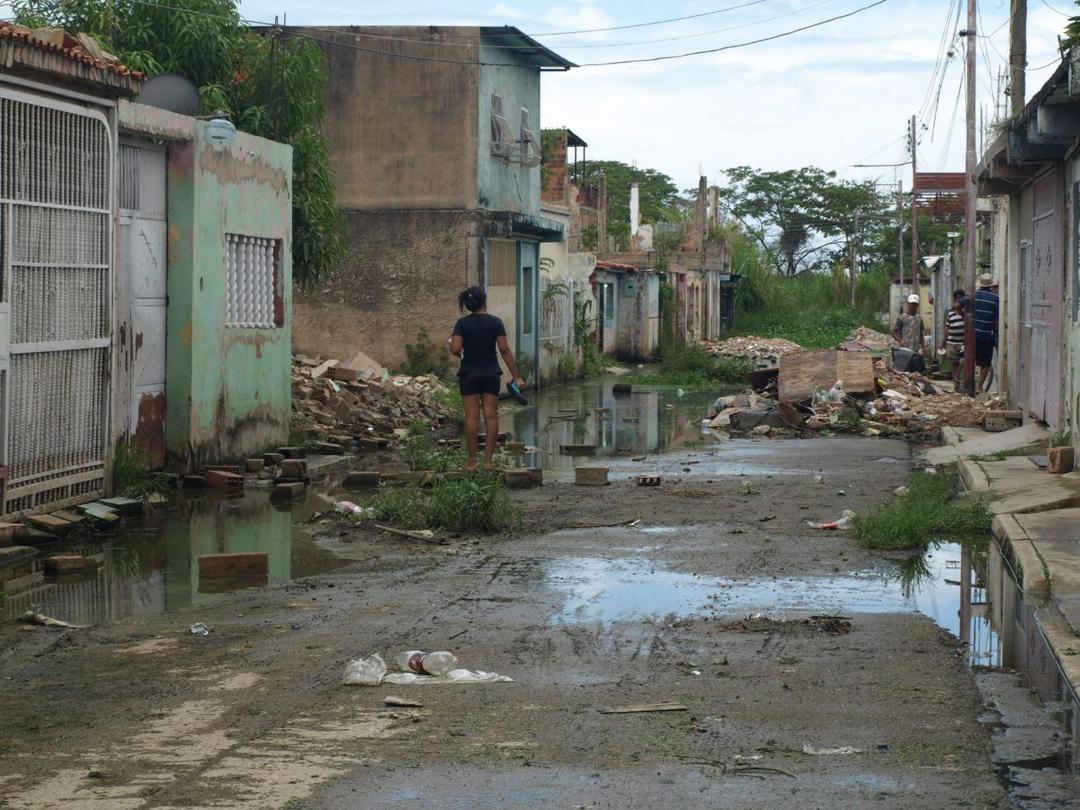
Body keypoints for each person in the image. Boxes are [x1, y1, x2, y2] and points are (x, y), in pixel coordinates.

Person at [447, 286, 526, 471]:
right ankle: (488, 462)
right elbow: (504, 350)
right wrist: (517, 377)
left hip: (469, 375)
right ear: (484, 302)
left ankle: (471, 463)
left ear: (468, 304)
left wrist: (451, 345)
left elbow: (456, 349)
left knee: (471, 417)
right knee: (491, 416)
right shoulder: (495, 322)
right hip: (490, 373)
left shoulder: (462, 324)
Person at [973, 273, 999, 392]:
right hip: (986, 335)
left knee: (971, 359)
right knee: (986, 364)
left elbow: (959, 305)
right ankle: (979, 387)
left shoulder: (974, 296)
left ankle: (965, 383)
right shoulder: (995, 298)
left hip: (972, 335)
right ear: (991, 285)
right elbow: (996, 320)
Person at [892, 293, 927, 372]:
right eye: (912, 304)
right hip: (904, 350)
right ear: (908, 304)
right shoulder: (902, 317)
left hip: (916, 350)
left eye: (915, 304)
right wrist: (900, 341)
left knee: (916, 372)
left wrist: (924, 348)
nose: (913, 306)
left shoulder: (919, 318)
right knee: (905, 371)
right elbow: (893, 332)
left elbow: (921, 334)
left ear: (917, 305)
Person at [940, 289, 967, 387]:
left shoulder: (966, 311)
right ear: (954, 299)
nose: (958, 299)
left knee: (963, 362)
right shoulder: (950, 312)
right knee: (954, 363)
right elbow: (947, 328)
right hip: (951, 342)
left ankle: (962, 381)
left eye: (960, 297)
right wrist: (943, 342)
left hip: (963, 342)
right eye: (956, 297)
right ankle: (955, 382)